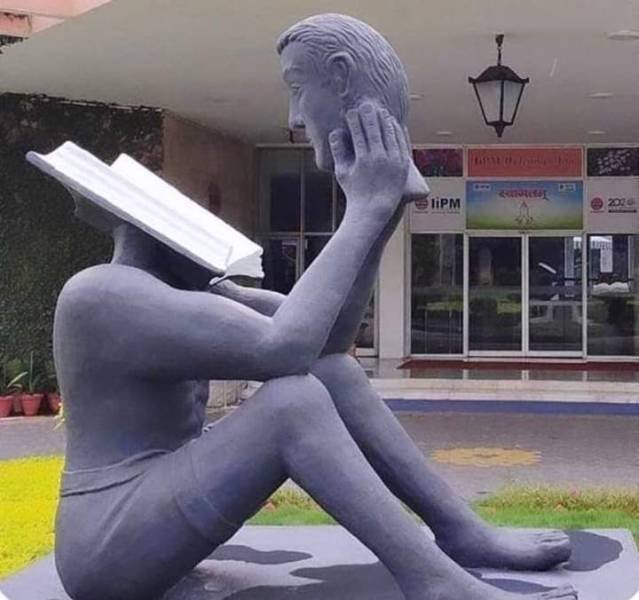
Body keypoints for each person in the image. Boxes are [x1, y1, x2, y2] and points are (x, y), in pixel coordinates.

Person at [52, 13, 576, 600]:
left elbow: (328, 342)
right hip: (109, 548)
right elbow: (284, 350)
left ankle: (459, 532)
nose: (294, 117)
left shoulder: (190, 293)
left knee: (332, 375)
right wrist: (365, 209)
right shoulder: (102, 295)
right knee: (292, 403)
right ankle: (434, 583)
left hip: (164, 517)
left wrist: (383, 210)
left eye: (299, 91)